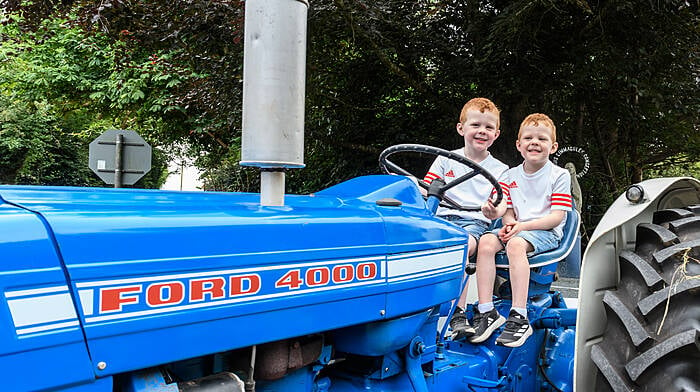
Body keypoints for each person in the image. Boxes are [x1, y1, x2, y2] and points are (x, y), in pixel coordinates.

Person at [470, 113, 572, 347]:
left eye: (542, 139)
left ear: (553, 146)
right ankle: (487, 311)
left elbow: (556, 218)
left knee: (515, 245)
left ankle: (519, 316)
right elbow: (507, 208)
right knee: (485, 242)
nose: (534, 142)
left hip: (545, 231)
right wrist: (502, 218)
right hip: (518, 228)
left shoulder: (559, 175)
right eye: (528, 138)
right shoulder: (510, 175)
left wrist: (519, 227)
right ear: (519, 144)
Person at [422, 97, 508, 339]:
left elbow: (500, 203)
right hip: (439, 218)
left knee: (461, 246)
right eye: (475, 125)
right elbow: (427, 188)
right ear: (461, 128)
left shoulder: (500, 169)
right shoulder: (445, 158)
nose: (482, 131)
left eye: (489, 127)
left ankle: (456, 312)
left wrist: (494, 211)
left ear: (496, 134)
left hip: (473, 222)